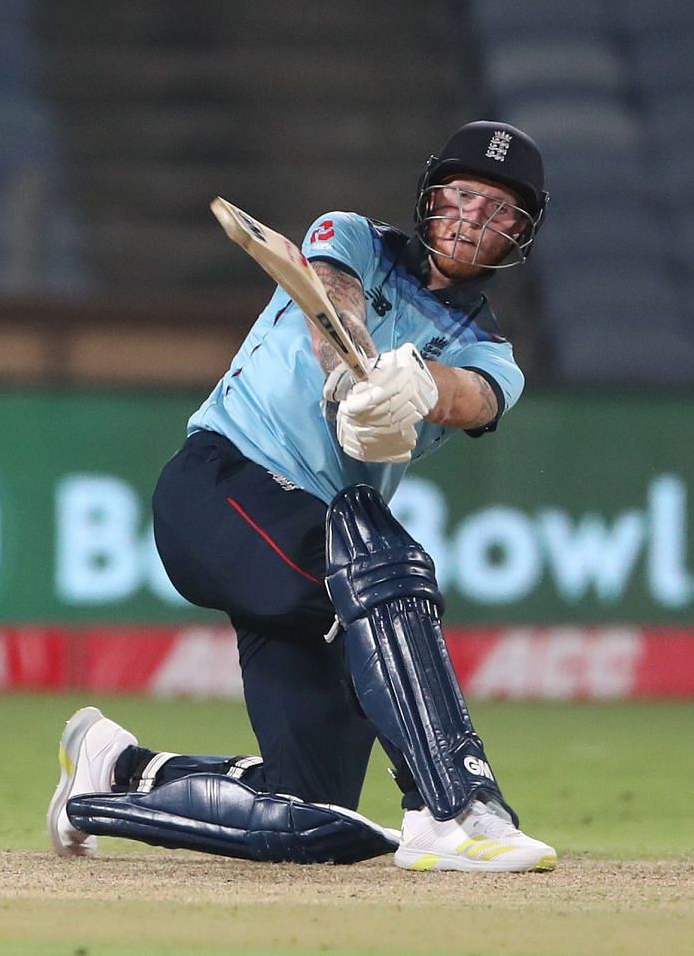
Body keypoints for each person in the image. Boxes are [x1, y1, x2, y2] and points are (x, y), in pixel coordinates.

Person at [47, 121, 558, 873]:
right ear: (431, 195)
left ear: (521, 231)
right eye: (462, 195)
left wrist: (417, 385)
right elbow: (332, 303)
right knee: (374, 537)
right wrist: (354, 369)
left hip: (316, 565)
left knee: (311, 810)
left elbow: (472, 398)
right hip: (220, 489)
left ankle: (113, 774)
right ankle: (453, 806)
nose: (474, 216)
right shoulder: (350, 235)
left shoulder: (493, 354)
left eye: (499, 209)